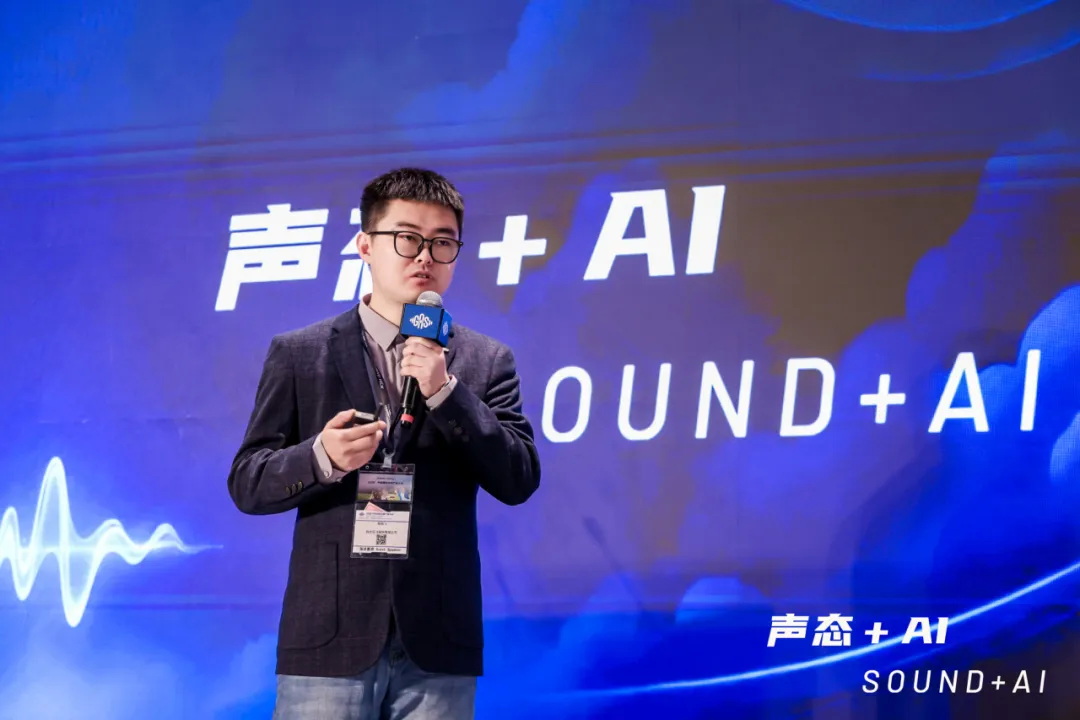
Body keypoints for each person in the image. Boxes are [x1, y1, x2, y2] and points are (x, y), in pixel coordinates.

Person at [227, 168, 541, 719]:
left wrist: (446, 393)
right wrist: (322, 458)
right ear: (365, 245)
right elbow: (248, 480)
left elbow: (518, 477)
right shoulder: (300, 353)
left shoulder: (486, 361)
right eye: (407, 238)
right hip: (329, 636)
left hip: (437, 639)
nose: (425, 257)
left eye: (442, 242)